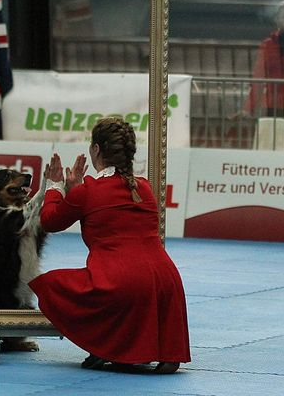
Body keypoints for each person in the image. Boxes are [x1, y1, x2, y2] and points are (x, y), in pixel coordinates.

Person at [28, 117, 191, 374]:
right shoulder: (145, 188)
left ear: (96, 150)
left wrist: (55, 187)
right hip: (167, 283)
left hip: (119, 283)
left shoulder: (88, 192)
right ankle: (151, 349)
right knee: (133, 289)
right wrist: (75, 192)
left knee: (50, 284)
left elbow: (49, 221)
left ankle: (111, 346)